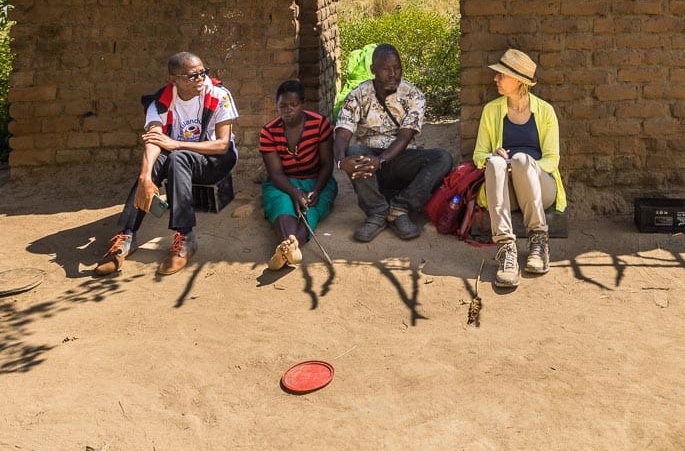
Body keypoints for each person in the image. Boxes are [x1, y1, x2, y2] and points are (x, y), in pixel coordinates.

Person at [95, 52, 239, 277]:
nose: (200, 79)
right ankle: (128, 236)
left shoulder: (219, 95)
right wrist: (145, 177)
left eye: (203, 73)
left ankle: (185, 237)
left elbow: (222, 145)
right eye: (192, 76)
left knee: (176, 155)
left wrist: (176, 143)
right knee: (160, 160)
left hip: (215, 161)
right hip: (178, 160)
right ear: (174, 80)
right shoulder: (159, 103)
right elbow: (154, 140)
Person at [333, 43, 452, 242]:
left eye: (397, 68)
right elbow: (342, 135)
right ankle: (377, 212)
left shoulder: (413, 95)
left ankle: (400, 207)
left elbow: (404, 137)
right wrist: (340, 161)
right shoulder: (357, 95)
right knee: (354, 150)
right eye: (386, 69)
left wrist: (380, 161)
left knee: (443, 158)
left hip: (400, 160)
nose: (393, 74)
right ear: (373, 70)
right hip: (369, 166)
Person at [472, 48, 566, 288]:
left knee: (523, 160)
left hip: (539, 187)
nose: (495, 79)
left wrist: (521, 165)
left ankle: (538, 242)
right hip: (505, 191)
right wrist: (495, 157)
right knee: (494, 162)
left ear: (519, 81)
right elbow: (478, 155)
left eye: (501, 75)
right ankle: (506, 249)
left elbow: (552, 160)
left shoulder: (545, 111)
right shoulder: (491, 110)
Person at [258, 80, 338, 270]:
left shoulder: (319, 124)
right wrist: (293, 192)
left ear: (302, 104)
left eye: (293, 105)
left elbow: (327, 164)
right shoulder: (268, 132)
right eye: (283, 106)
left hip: (318, 180)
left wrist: (316, 190)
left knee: (313, 207)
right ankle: (291, 247)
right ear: (276, 105)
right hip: (283, 181)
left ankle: (287, 248)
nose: (288, 110)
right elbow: (275, 173)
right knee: (282, 204)